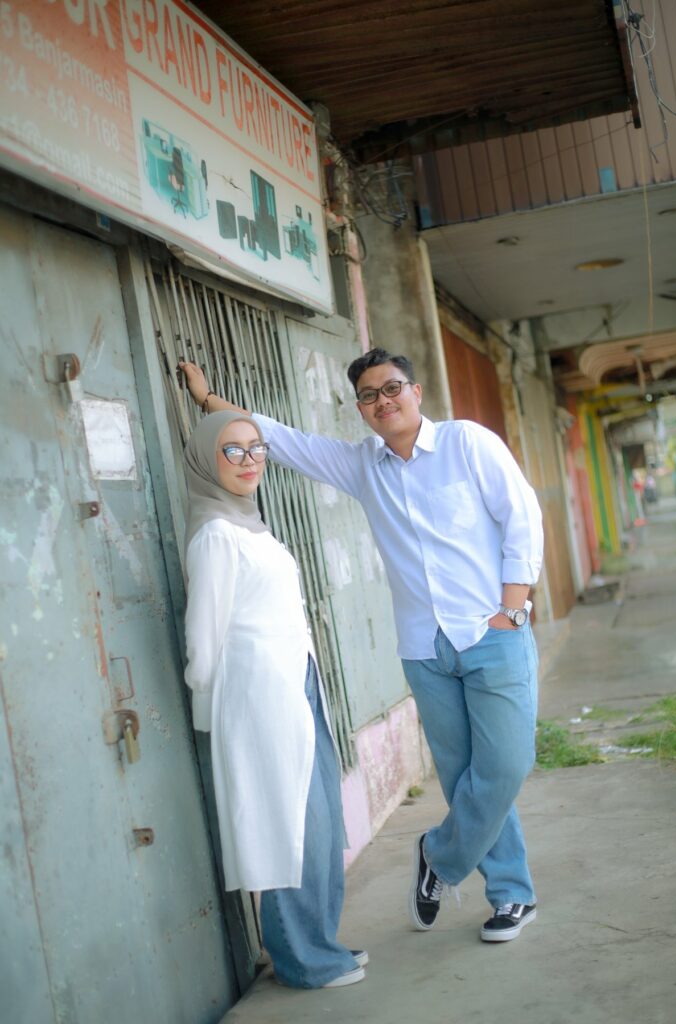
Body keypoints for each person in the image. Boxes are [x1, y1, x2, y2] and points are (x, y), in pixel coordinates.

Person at [179, 347, 543, 944]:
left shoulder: (468, 443)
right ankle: (510, 893)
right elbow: (281, 439)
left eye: (392, 388)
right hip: (424, 650)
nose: (383, 401)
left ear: (415, 392)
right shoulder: (361, 466)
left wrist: (512, 607)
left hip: (492, 633)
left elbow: (521, 517)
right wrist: (207, 400)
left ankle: (439, 856)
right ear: (361, 409)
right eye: (369, 395)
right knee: (463, 777)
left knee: (505, 766)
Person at [183, 409, 366, 988]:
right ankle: (303, 961)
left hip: (297, 683)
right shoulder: (215, 534)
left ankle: (322, 943)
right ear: (207, 459)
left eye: (257, 448)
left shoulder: (252, 524)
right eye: (233, 450)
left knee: (322, 822)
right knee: (289, 828)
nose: (250, 460)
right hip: (259, 697)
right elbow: (203, 639)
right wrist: (211, 708)